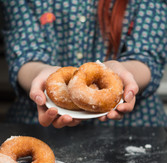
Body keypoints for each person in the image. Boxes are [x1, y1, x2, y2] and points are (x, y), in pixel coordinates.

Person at [0, 0, 167, 128]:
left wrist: (125, 74)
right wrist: (40, 74)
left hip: (135, 127)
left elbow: (146, 55)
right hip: (40, 118)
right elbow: (26, 51)